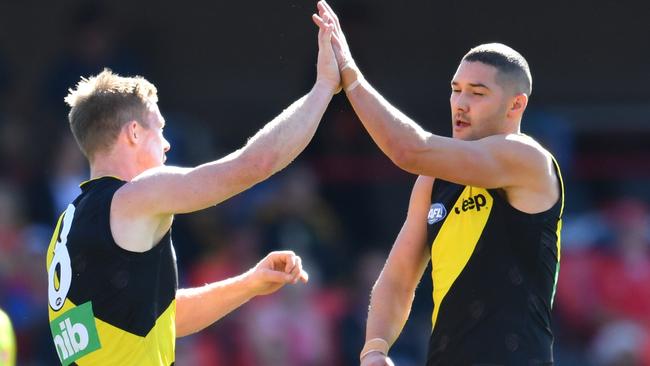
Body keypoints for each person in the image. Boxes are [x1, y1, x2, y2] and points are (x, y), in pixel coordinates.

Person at [45, 21, 340, 365]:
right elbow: (254, 165)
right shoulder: (137, 195)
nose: (168, 145)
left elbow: (164, 319)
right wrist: (323, 88)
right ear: (134, 133)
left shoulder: (68, 224)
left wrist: (250, 283)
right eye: (161, 129)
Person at [313, 2, 564, 365]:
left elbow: (409, 149)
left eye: (477, 93)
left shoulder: (526, 158)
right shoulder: (433, 181)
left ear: (516, 106)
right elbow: (398, 278)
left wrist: (350, 76)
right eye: (455, 89)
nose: (460, 103)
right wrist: (375, 348)